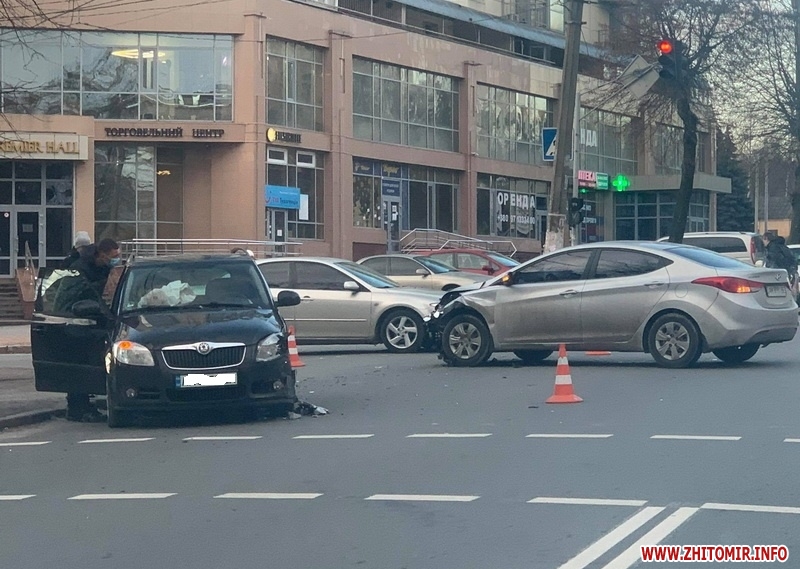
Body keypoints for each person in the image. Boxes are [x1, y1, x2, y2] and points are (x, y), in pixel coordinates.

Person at [62, 238, 121, 422]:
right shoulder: (80, 268)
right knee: (79, 367)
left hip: (91, 319)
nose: (116, 259)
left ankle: (85, 405)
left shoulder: (101, 267)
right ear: (102, 254)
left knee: (89, 366)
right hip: (74, 319)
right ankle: (76, 408)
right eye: (113, 256)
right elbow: (79, 294)